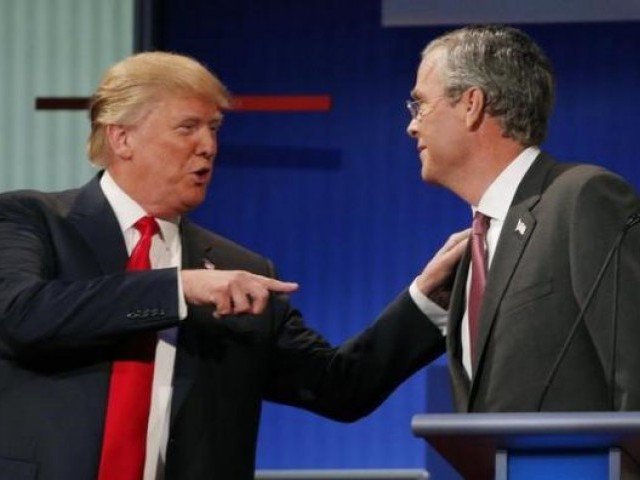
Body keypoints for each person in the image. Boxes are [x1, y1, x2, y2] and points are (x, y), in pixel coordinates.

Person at [0, 52, 444, 480]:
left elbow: (340, 387)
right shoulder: (33, 220)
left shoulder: (238, 270)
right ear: (121, 137)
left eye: (214, 128)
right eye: (187, 127)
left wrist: (425, 302)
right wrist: (178, 289)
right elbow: (21, 315)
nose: (209, 147)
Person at [406, 25, 640, 413]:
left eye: (421, 105)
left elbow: (633, 372)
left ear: (472, 105)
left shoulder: (583, 197)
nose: (412, 125)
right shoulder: (475, 250)